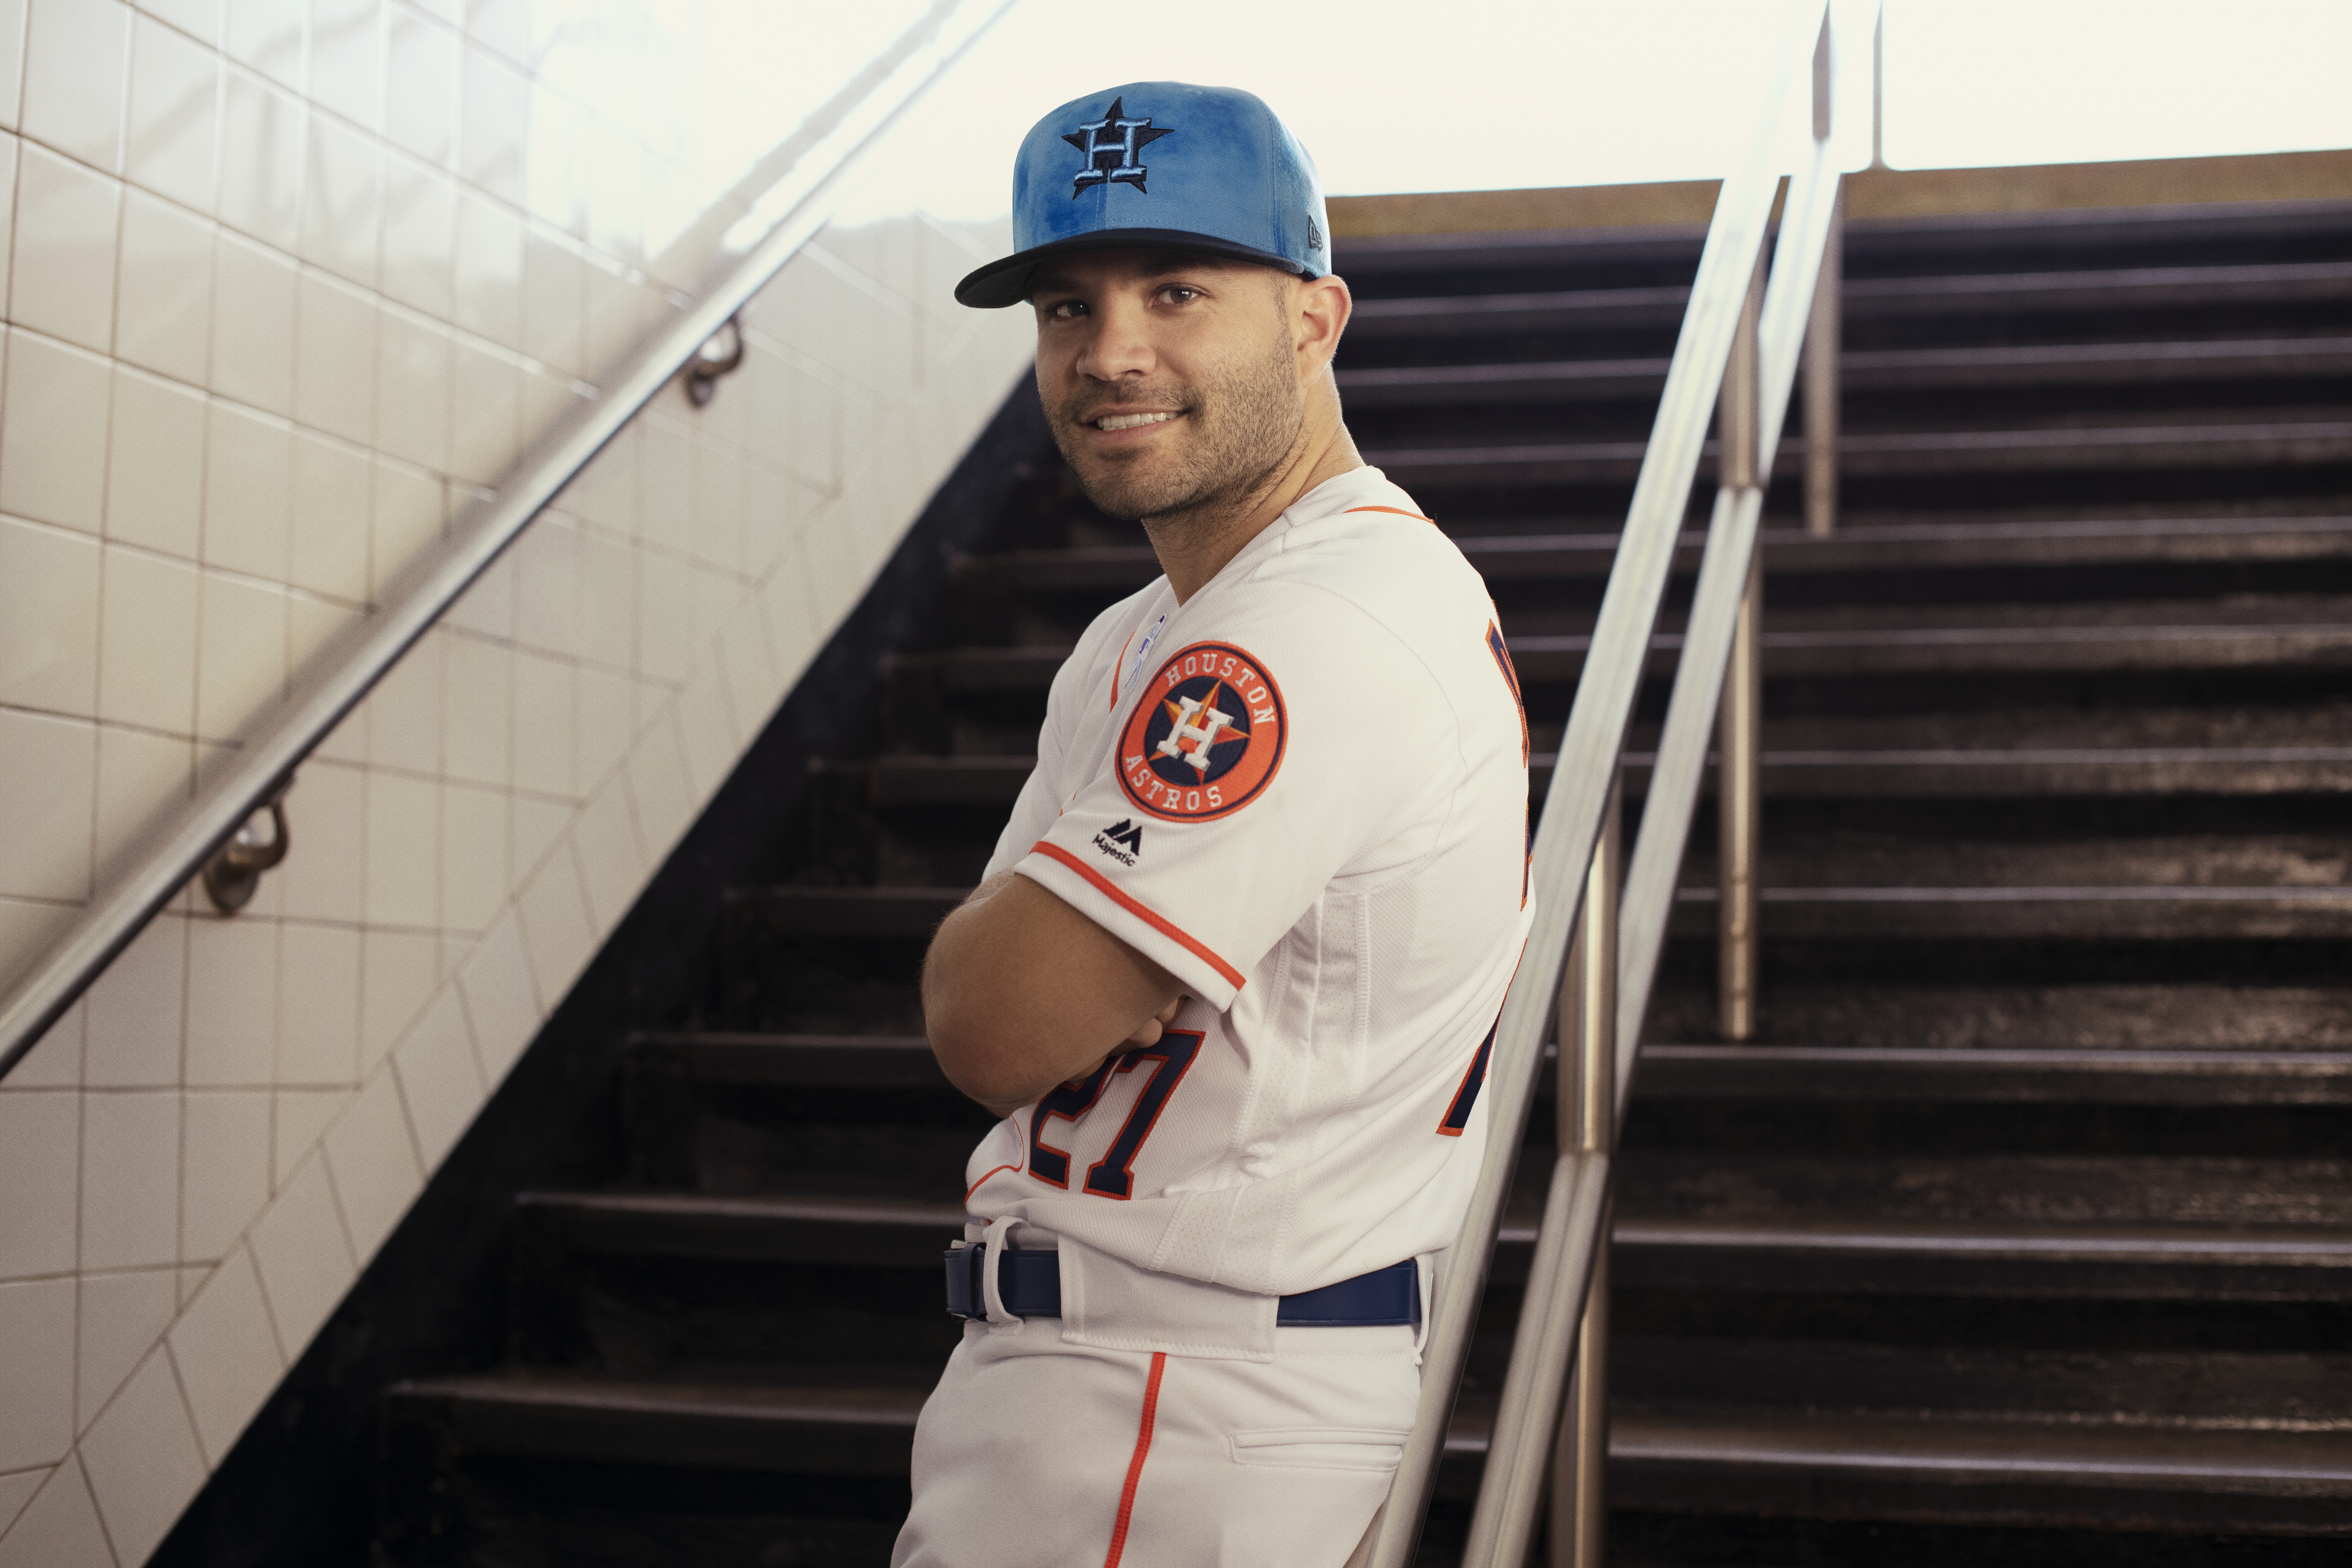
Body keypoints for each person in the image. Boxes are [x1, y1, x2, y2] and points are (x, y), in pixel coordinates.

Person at [894, 81, 1532, 1568]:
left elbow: (992, 1022)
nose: (1111, 352)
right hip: (1100, 1388)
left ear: (1316, 318)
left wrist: (1036, 947)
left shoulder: (1323, 621)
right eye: (1067, 304)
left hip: (1187, 1413)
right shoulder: (1152, 627)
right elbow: (1001, 983)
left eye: (1177, 290)